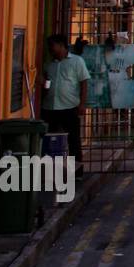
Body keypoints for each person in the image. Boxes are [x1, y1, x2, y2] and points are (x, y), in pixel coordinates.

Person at [43, 33, 90, 175]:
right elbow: (47, 85)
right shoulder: (49, 65)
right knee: (49, 140)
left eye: (52, 46)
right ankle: (52, 172)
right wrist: (42, 83)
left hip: (69, 108)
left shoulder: (77, 61)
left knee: (73, 141)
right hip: (50, 107)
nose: (50, 49)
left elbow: (84, 83)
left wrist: (82, 104)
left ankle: (77, 173)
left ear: (61, 45)